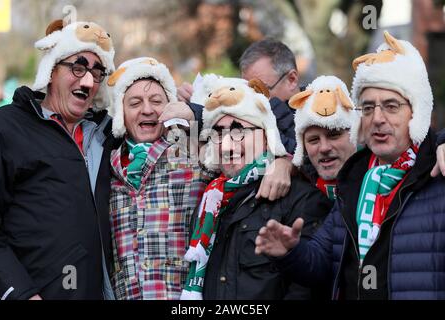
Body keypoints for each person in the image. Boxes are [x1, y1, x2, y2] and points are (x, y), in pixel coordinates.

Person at [255, 31, 445, 299]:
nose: (377, 118)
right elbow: (322, 262)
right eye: (367, 108)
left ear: (416, 112)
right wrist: (291, 252)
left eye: (391, 106)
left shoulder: (437, 174)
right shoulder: (355, 180)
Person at [181, 76, 332, 300]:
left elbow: (308, 288)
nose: (227, 143)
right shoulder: (210, 203)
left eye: (239, 130)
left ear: (265, 136)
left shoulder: (301, 198)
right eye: (218, 133)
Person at [0, 19, 116, 300]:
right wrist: (21, 293)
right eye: (78, 67)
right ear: (51, 70)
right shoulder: (6, 129)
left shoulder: (110, 134)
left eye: (97, 72)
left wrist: (193, 113)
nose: (88, 81)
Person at [106, 57, 208, 300]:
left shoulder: (192, 151)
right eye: (135, 103)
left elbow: (245, 138)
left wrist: (197, 113)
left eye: (156, 101)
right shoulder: (106, 166)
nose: (148, 110)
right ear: (121, 112)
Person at [173, 38, 299, 153]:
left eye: (260, 90)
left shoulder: (315, 115)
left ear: (291, 80)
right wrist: (193, 108)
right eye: (247, 89)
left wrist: (285, 164)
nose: (251, 98)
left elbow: (301, 157)